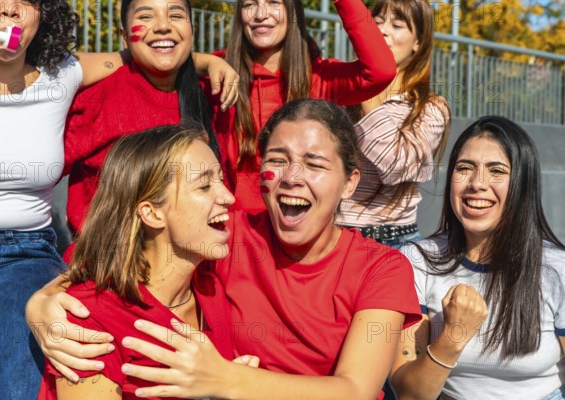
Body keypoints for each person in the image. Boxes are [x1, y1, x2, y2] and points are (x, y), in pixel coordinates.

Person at [27, 99, 422, 399]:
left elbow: (355, 390)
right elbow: (110, 257)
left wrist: (227, 379)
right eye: (278, 161)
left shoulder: (381, 267)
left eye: (315, 164)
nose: (292, 178)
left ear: (350, 183)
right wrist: (41, 302)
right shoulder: (223, 237)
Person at [0, 0, 237, 397]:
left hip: (17, 259)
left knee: (41, 352)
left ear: (44, 16)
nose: (9, 10)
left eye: (25, 1)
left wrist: (206, 62)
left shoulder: (63, 74)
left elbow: (144, 47)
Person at [37, 125, 258, 399]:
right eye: (204, 186)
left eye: (221, 180)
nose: (228, 197)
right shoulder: (88, 321)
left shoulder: (210, 285)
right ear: (152, 214)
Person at [388, 116, 565, 400]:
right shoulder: (414, 261)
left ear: (523, 183)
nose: (477, 183)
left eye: (496, 170)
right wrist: (453, 336)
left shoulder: (557, 269)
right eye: (465, 168)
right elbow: (410, 395)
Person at [64, 0, 236, 249]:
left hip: (192, 272)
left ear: (191, 30)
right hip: (108, 270)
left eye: (175, 15)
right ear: (124, 37)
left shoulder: (215, 97)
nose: (163, 26)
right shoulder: (96, 97)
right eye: (146, 17)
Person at [218, 0, 398, 214]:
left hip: (300, 226)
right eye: (249, 5)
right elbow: (171, 65)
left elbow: (381, 71)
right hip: (235, 233)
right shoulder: (219, 73)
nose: (260, 14)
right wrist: (204, 62)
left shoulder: (320, 78)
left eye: (274, 2)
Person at [340, 0, 451, 248]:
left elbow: (396, 165)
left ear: (418, 43)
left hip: (393, 242)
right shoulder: (339, 92)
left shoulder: (430, 108)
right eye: (376, 22)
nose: (381, 31)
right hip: (333, 238)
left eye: (397, 24)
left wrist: (368, 87)